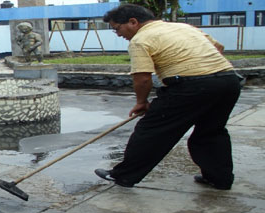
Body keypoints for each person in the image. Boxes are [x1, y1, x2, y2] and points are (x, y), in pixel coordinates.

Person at [94, 4, 243, 190]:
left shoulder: (141, 39)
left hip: (190, 86)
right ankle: (219, 179)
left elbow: (142, 78)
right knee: (211, 132)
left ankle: (123, 176)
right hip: (228, 81)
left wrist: (141, 102)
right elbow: (218, 47)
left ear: (133, 22)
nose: (117, 34)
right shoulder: (183, 27)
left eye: (117, 28)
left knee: (151, 131)